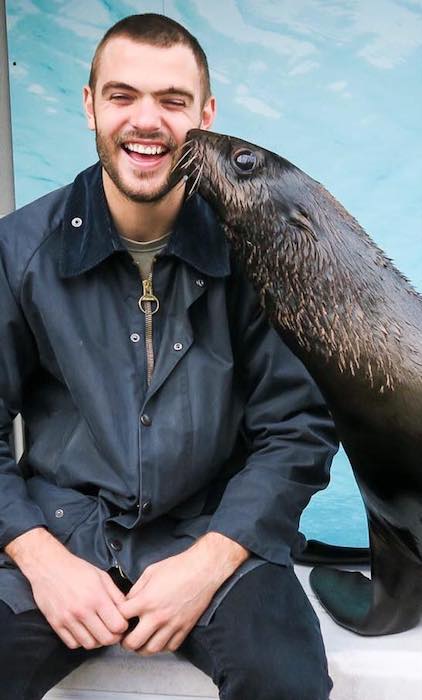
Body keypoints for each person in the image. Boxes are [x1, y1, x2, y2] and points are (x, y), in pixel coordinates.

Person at [0, 13, 338, 700]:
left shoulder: (259, 254)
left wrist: (211, 560)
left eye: (173, 101)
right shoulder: (17, 252)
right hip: (62, 529)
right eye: (123, 96)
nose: (146, 121)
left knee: (287, 681)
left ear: (206, 115)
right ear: (91, 104)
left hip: (213, 528)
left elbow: (297, 430)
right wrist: (38, 556)